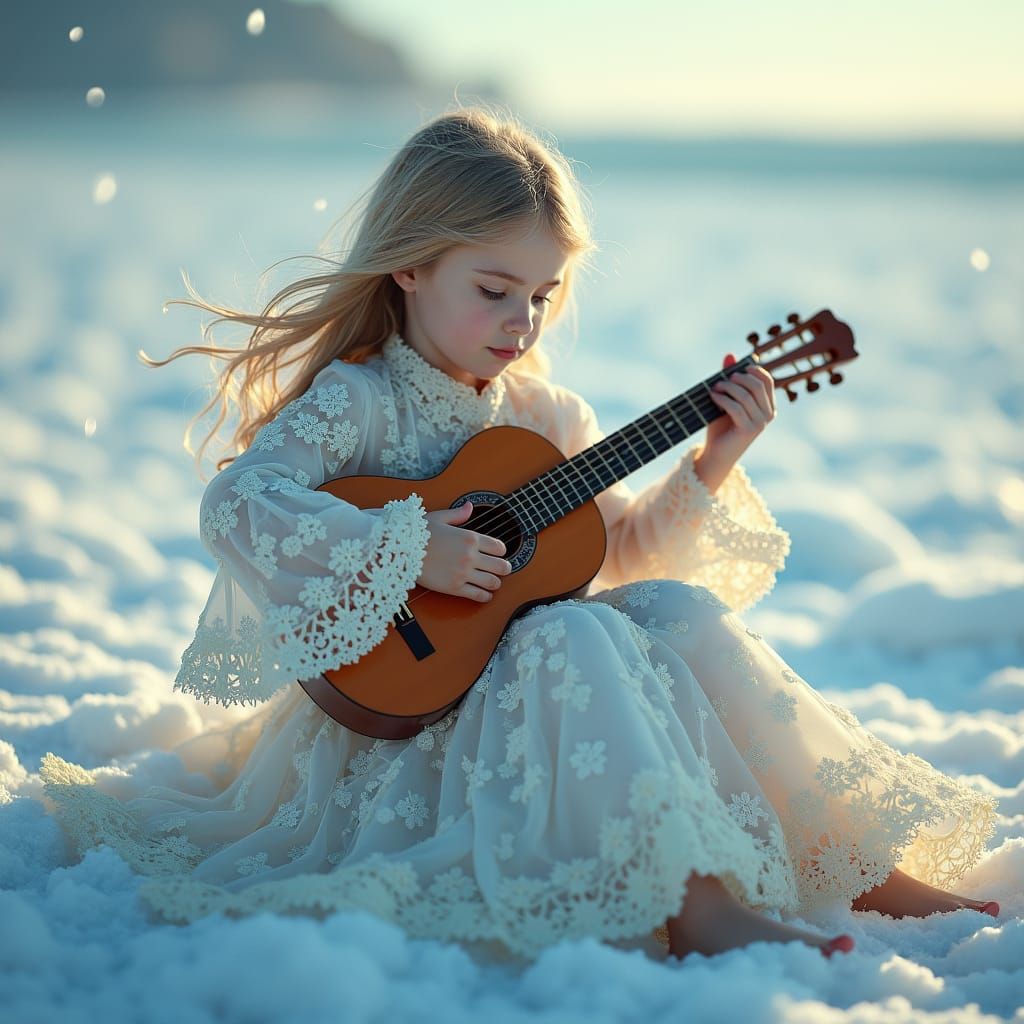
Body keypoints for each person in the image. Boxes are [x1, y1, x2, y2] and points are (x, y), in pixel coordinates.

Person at [39, 105, 999, 965]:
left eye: (541, 295)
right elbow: (238, 502)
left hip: (537, 703)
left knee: (674, 608)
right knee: (567, 630)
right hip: (403, 727)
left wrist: (715, 458)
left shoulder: (543, 417)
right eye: (495, 289)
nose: (522, 322)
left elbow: (620, 551)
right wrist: (411, 547)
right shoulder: (358, 402)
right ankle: (695, 903)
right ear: (410, 265)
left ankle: (854, 861)